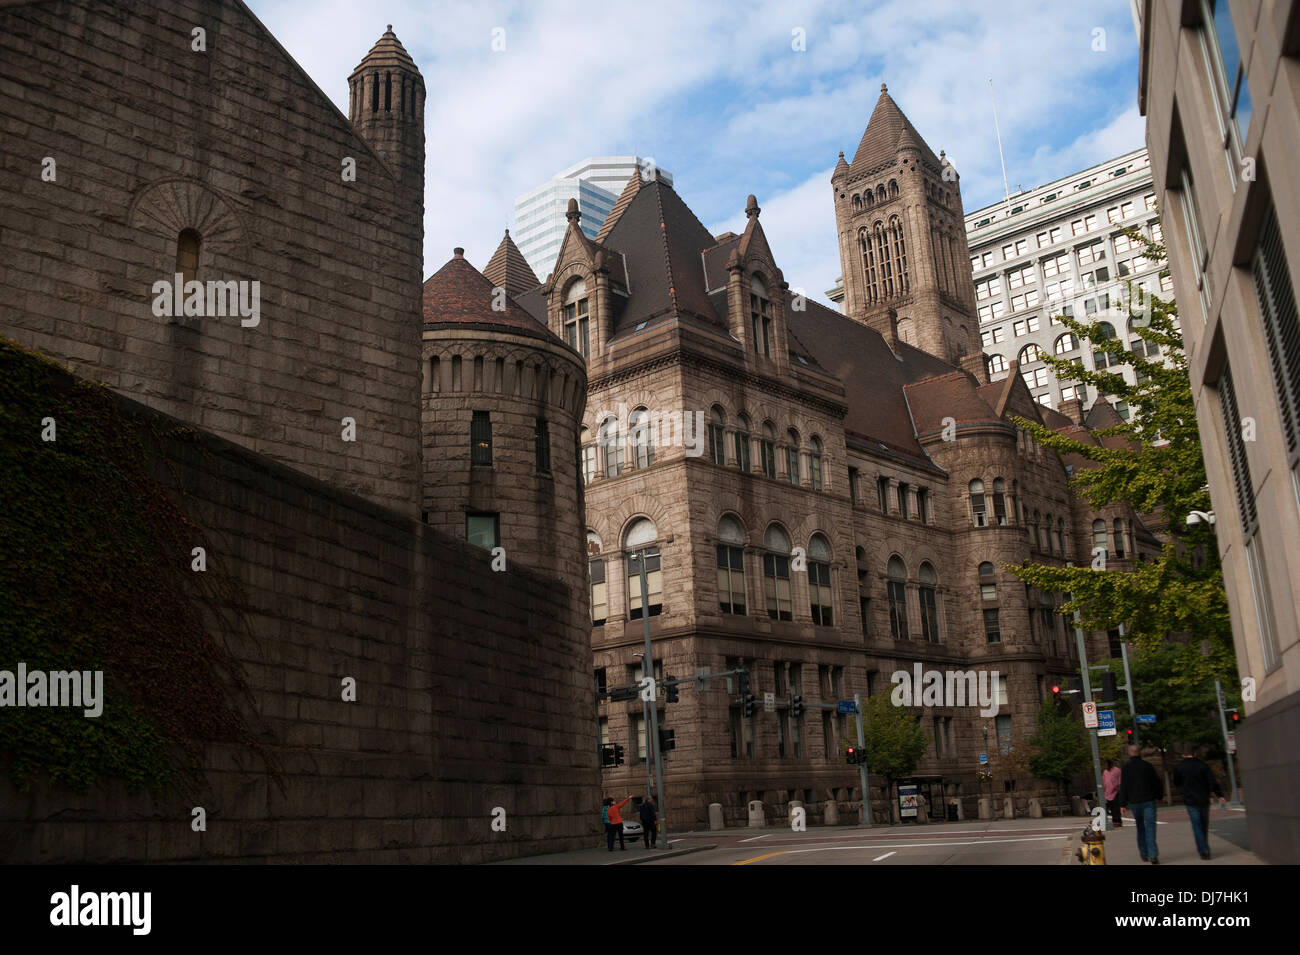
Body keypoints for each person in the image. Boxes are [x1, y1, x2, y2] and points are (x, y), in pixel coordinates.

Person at [1172, 745, 1226, 860]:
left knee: (1196, 825)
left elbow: (1176, 782)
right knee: (1203, 824)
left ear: (1183, 755)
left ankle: (1203, 850)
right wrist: (1219, 794)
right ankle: (1204, 847)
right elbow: (1212, 781)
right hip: (1203, 798)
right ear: (1195, 754)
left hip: (1190, 799)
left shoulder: (1180, 767)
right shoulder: (1203, 766)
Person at [1118, 744, 1164, 864]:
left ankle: (1144, 853)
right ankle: (1153, 854)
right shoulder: (1147, 766)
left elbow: (1124, 786)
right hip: (1149, 800)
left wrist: (1122, 803)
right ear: (1140, 753)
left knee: (1140, 827)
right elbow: (1156, 782)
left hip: (1135, 802)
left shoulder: (1126, 768)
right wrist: (1159, 796)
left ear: (1129, 754)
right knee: (1150, 827)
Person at [1103, 759, 1123, 828]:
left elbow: (1120, 780)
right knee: (1110, 808)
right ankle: (1114, 820)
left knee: (1115, 808)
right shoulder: (1105, 772)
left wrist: (1118, 788)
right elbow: (1104, 782)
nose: (1105, 766)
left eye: (1106, 764)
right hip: (1107, 793)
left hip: (1115, 792)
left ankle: (1117, 821)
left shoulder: (1117, 770)